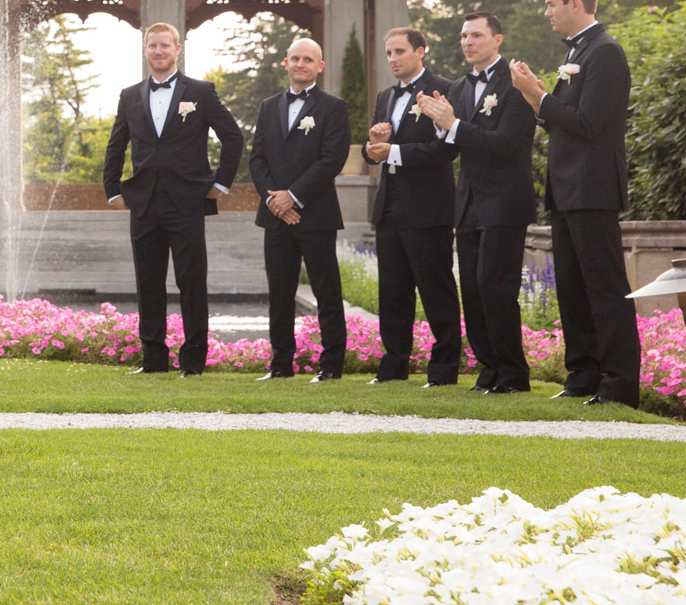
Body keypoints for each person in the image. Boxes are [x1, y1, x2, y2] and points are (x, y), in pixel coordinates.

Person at [510, 0, 639, 408]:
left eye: (551, 4)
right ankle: (583, 374)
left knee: (604, 288)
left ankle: (619, 383)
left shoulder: (605, 53)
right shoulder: (579, 51)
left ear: (576, 4)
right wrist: (537, 99)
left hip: (593, 188)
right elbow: (565, 119)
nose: (546, 11)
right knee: (571, 286)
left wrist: (539, 97)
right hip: (566, 190)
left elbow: (589, 124)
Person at [102, 21, 242, 376]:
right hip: (145, 202)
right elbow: (116, 145)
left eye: (165, 45)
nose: (159, 51)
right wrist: (113, 188)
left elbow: (233, 138)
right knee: (148, 282)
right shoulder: (130, 95)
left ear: (177, 49)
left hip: (188, 201)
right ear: (145, 50)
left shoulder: (201, 91)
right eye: (153, 46)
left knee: (191, 282)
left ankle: (193, 361)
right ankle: (153, 360)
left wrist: (221, 184)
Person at [418, 11, 537, 394]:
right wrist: (440, 124)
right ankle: (489, 371)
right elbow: (451, 149)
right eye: (464, 36)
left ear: (497, 39)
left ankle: (513, 374)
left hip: (505, 201)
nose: (468, 42)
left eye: (476, 35)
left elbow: (507, 144)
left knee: (495, 287)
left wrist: (453, 125)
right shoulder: (458, 87)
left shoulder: (515, 81)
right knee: (470, 288)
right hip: (467, 202)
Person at [247, 37, 350, 382]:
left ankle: (332, 366)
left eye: (308, 59)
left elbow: (332, 159)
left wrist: (293, 196)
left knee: (326, 291)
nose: (301, 64)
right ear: (286, 63)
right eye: (295, 58)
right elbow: (257, 158)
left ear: (319, 66)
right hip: (275, 216)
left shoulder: (333, 107)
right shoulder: (268, 106)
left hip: (316, 215)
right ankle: (280, 365)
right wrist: (275, 201)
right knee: (279, 293)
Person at [361, 27, 460, 387]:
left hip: (428, 208)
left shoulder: (445, 89)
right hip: (388, 208)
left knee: (437, 291)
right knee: (392, 292)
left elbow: (448, 150)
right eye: (389, 53)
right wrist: (373, 145)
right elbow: (374, 147)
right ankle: (393, 366)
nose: (393, 59)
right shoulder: (386, 96)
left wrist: (395, 152)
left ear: (421, 51)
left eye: (400, 51)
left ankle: (445, 369)